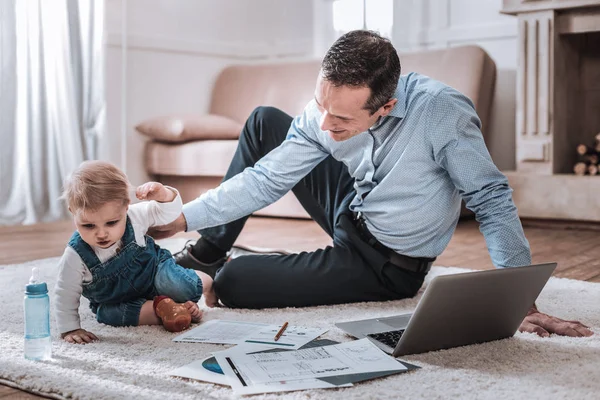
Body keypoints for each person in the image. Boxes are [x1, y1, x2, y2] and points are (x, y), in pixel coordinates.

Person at [152, 30, 592, 338]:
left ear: (387, 105)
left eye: (341, 118)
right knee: (265, 120)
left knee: (232, 285)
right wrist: (181, 218)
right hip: (353, 206)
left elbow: (491, 200)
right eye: (322, 105)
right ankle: (207, 250)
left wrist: (519, 301)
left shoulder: (441, 113)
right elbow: (267, 178)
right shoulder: (323, 114)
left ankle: (227, 266)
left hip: (386, 263)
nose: (325, 124)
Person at [54, 161, 217, 344]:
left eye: (111, 223)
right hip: (119, 300)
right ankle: (174, 309)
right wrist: (70, 328)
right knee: (108, 315)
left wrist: (164, 195)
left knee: (177, 285)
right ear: (73, 213)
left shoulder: (135, 217)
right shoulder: (75, 255)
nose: (101, 234)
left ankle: (208, 282)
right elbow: (65, 293)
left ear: (126, 207)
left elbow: (168, 213)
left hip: (155, 275)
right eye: (88, 225)